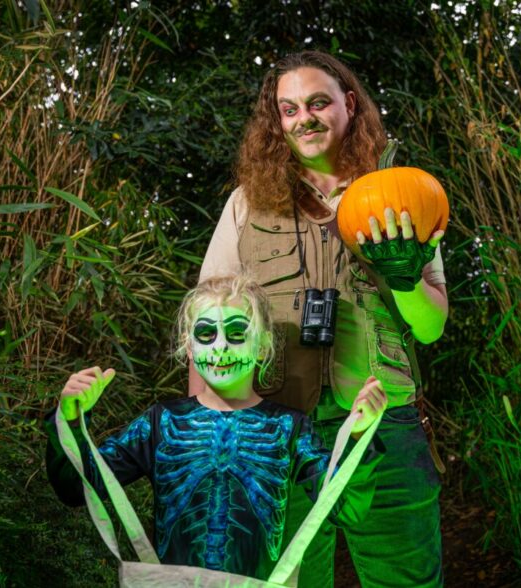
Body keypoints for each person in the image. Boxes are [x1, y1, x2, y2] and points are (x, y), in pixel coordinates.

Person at [191, 51, 448, 587]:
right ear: (277, 122)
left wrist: (405, 281)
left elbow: (430, 326)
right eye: (288, 109)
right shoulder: (247, 204)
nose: (303, 118)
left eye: (317, 102)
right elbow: (208, 323)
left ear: (349, 105)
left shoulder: (405, 197)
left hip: (386, 430)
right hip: (277, 432)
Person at [43, 273, 388, 580]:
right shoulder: (162, 422)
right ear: (188, 347)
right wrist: (71, 419)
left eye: (237, 332)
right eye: (206, 334)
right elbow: (76, 486)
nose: (221, 347)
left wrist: (359, 434)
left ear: (264, 345)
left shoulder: (287, 427)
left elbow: (345, 508)